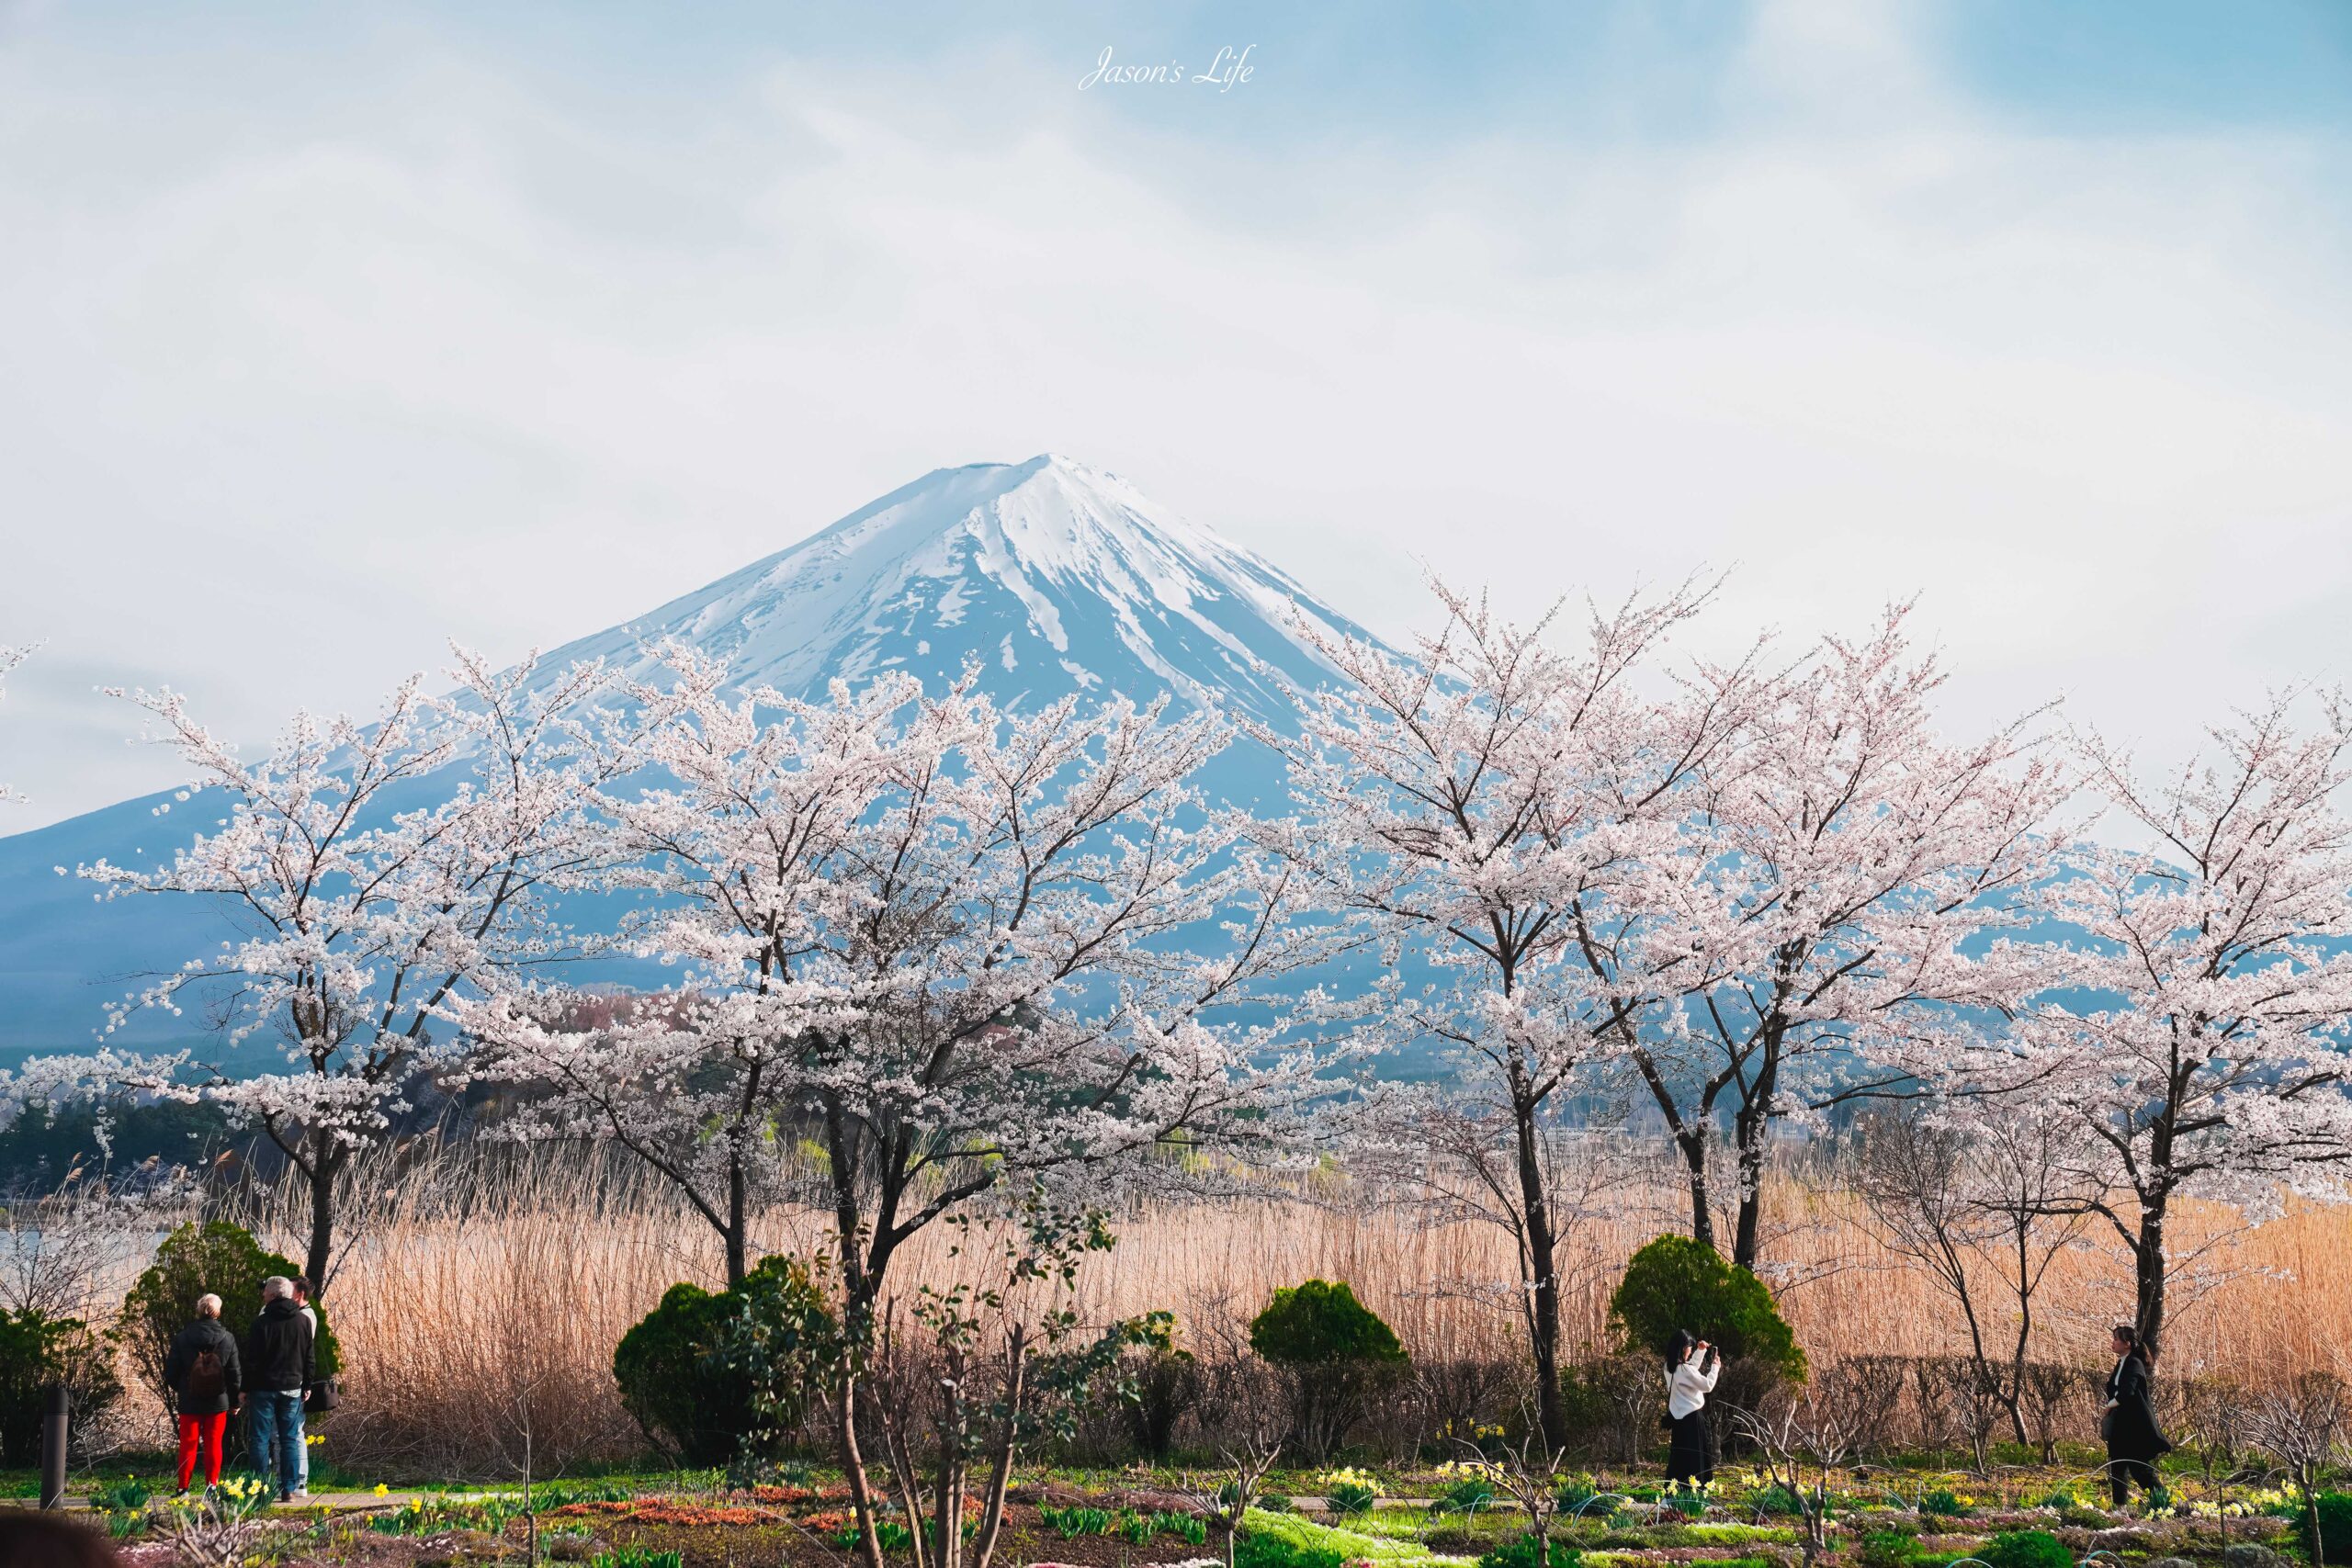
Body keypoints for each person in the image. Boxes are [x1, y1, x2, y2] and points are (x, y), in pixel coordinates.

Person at [243, 1275, 315, 1503]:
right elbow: (308, 1357)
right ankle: (289, 1489)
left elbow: (251, 1360)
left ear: (273, 1295)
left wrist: (244, 1388)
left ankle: (261, 1489)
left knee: (260, 1439)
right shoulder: (303, 1321)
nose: (262, 1294)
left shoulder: (261, 1323)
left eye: (265, 1292)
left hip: (263, 1388)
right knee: (289, 1439)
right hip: (292, 1387)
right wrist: (308, 1384)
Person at [162, 1292, 242, 1495]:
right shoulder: (228, 1338)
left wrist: (183, 1388)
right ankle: (212, 1486)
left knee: (188, 1444)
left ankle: (183, 1487)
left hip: (190, 1399)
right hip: (218, 1400)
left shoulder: (182, 1337)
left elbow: (171, 1371)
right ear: (218, 1311)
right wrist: (234, 1402)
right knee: (214, 1443)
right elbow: (234, 1373)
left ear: (198, 1310)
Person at [2100, 1323, 2171, 1506]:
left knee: (2140, 1469)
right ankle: (2120, 1509)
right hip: (2121, 1425)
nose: (2113, 1342)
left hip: (2134, 1426)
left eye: (2116, 1339)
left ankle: (2165, 1505)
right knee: (2117, 1467)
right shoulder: (2122, 1363)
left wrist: (2109, 1406)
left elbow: (2127, 1392)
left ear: (2128, 1343)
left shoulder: (2134, 1363)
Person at [1664, 1328, 1720, 1489]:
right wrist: (1715, 1367)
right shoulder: (1685, 1370)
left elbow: (1690, 1369)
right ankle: (1697, 1492)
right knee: (1696, 1458)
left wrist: (1700, 1352)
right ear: (1683, 1348)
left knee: (1679, 1458)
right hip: (1693, 1420)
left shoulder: (1669, 1367)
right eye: (1690, 1347)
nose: (1690, 1349)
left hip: (1678, 1421)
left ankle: (1675, 1492)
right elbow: (1707, 1385)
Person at [289, 1276, 318, 1493]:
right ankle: (291, 1478)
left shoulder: (305, 1317)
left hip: (295, 1379)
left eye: (290, 1290)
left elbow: (304, 1352)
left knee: (295, 1431)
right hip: (296, 1378)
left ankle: (300, 1478)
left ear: (300, 1294)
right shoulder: (301, 1316)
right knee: (290, 1432)